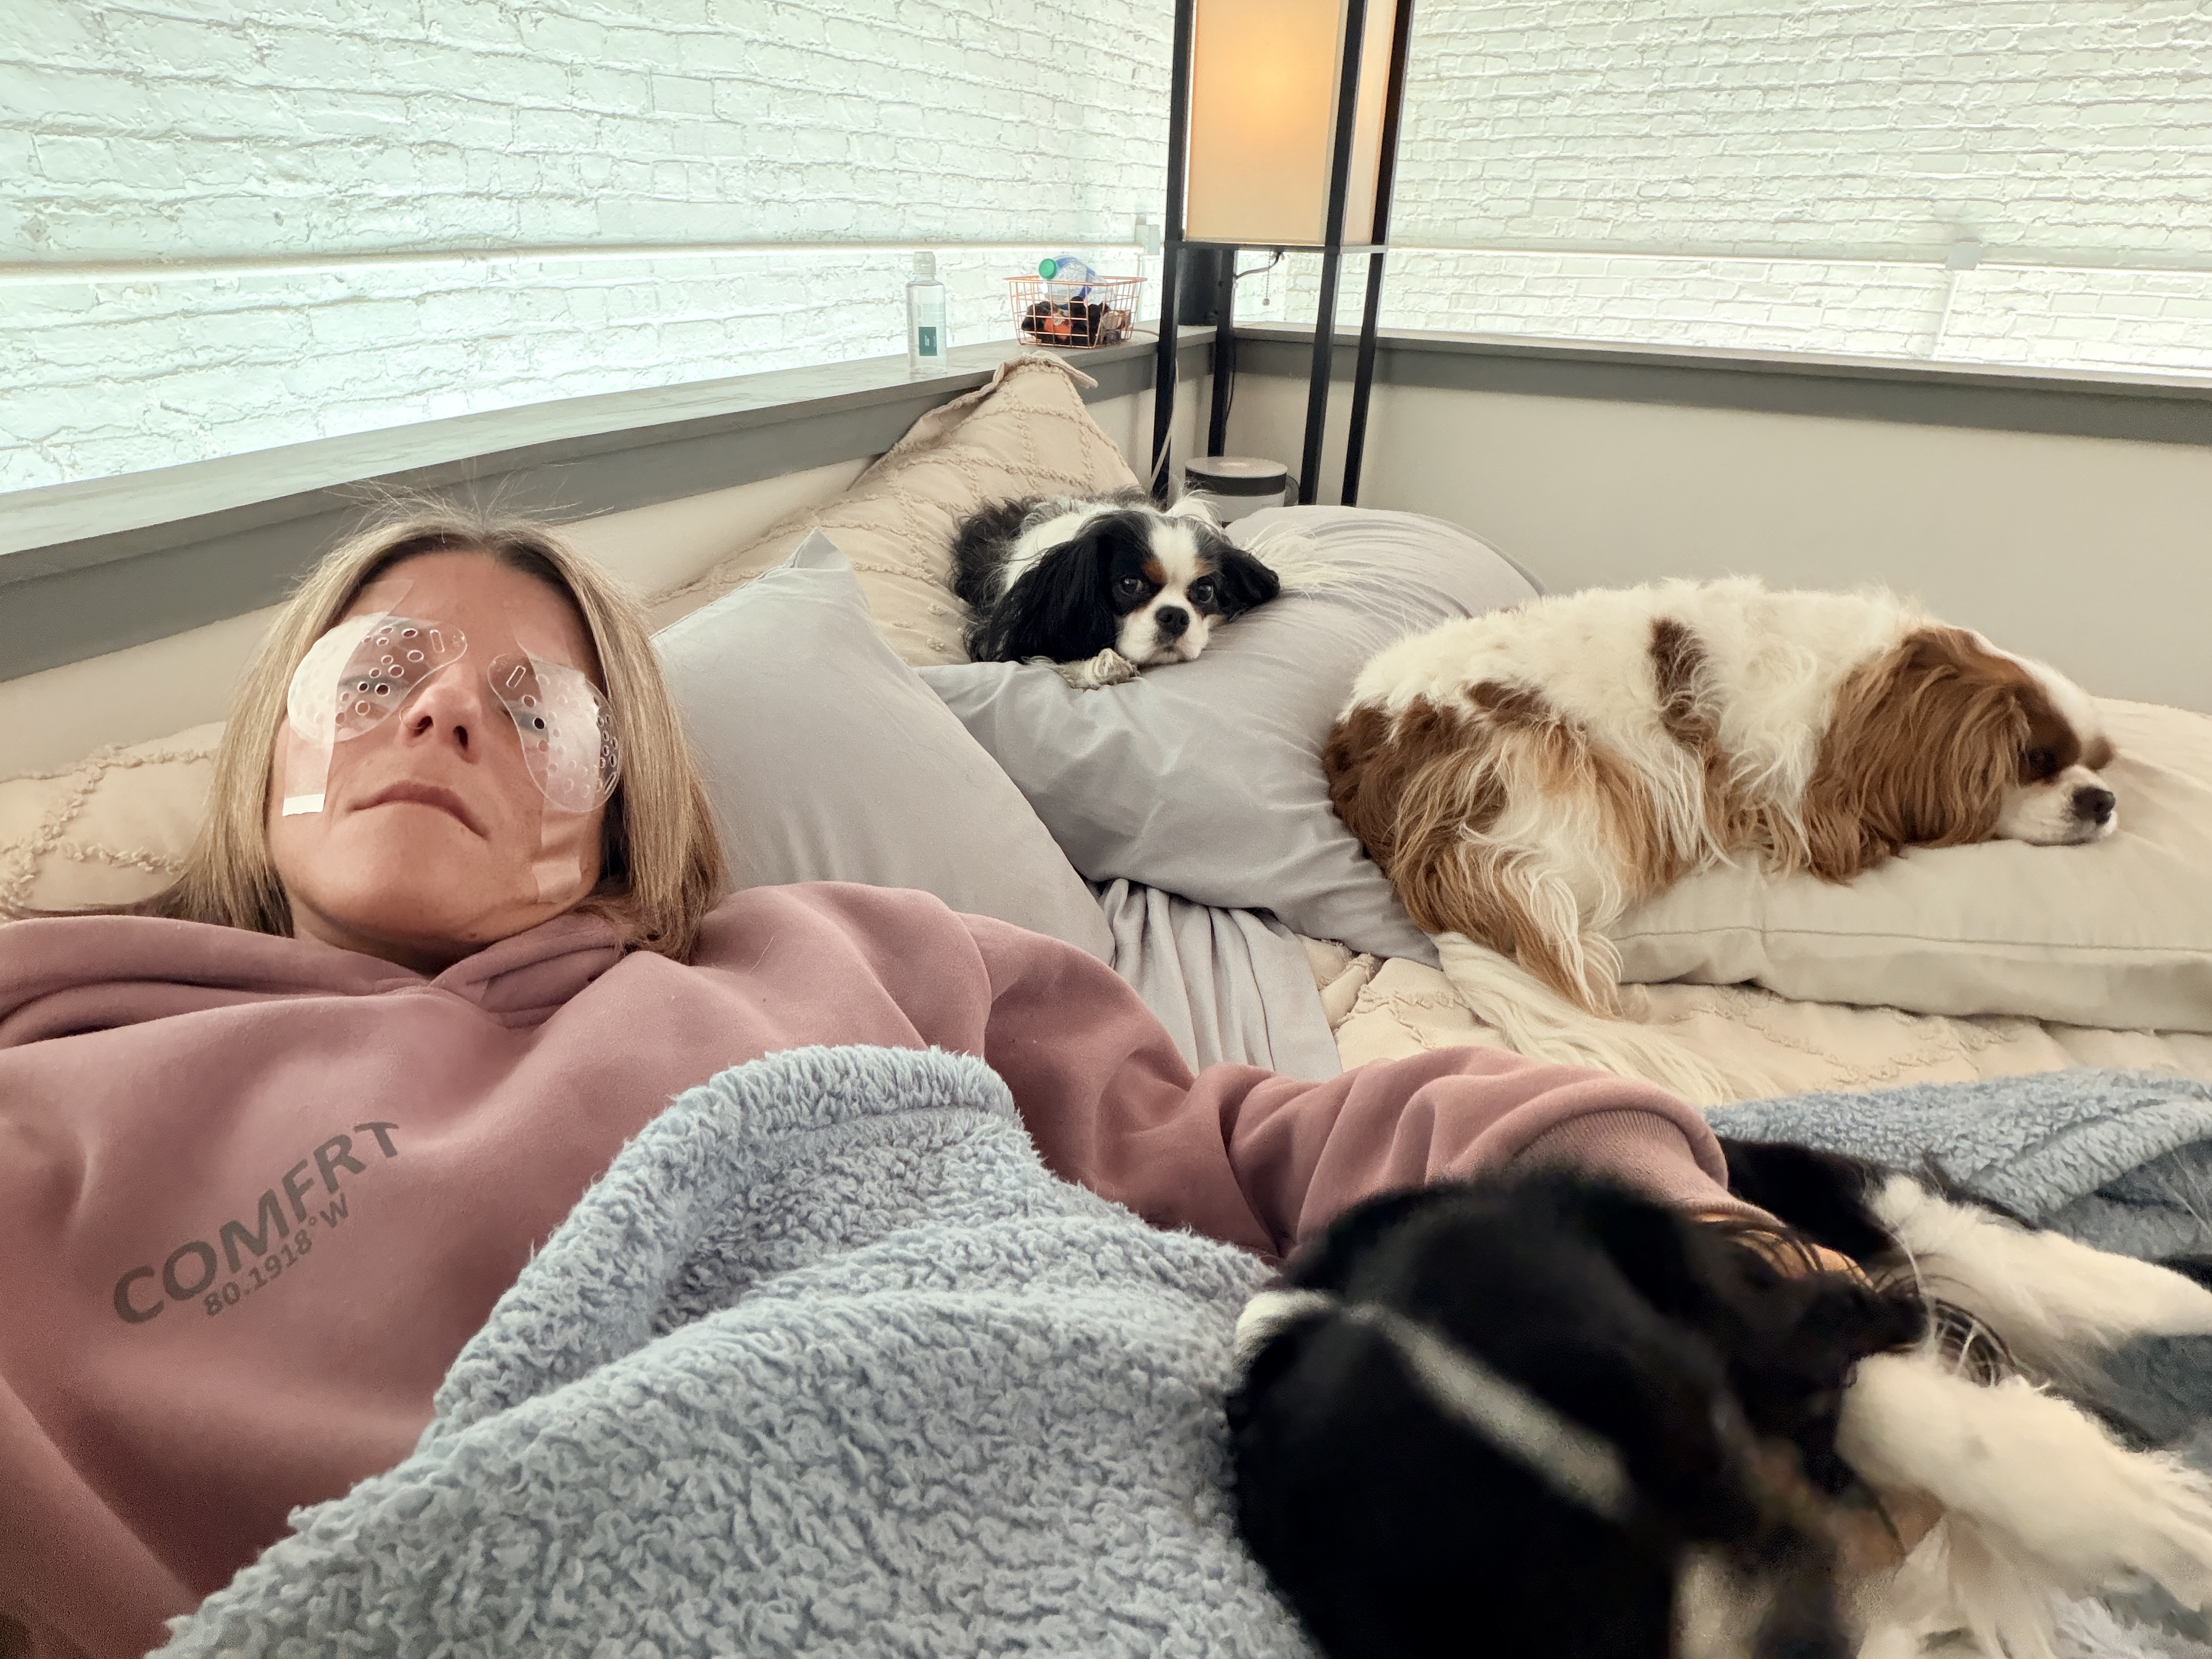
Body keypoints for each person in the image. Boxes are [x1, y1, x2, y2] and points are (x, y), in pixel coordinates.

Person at [0, 508, 1783, 1659]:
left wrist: (1657, 1217)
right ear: (270, 747)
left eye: (537, 709)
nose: (445, 713)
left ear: (615, 820)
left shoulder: (843, 952)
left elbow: (1262, 1147)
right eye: (378, 674)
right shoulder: (62, 1069)